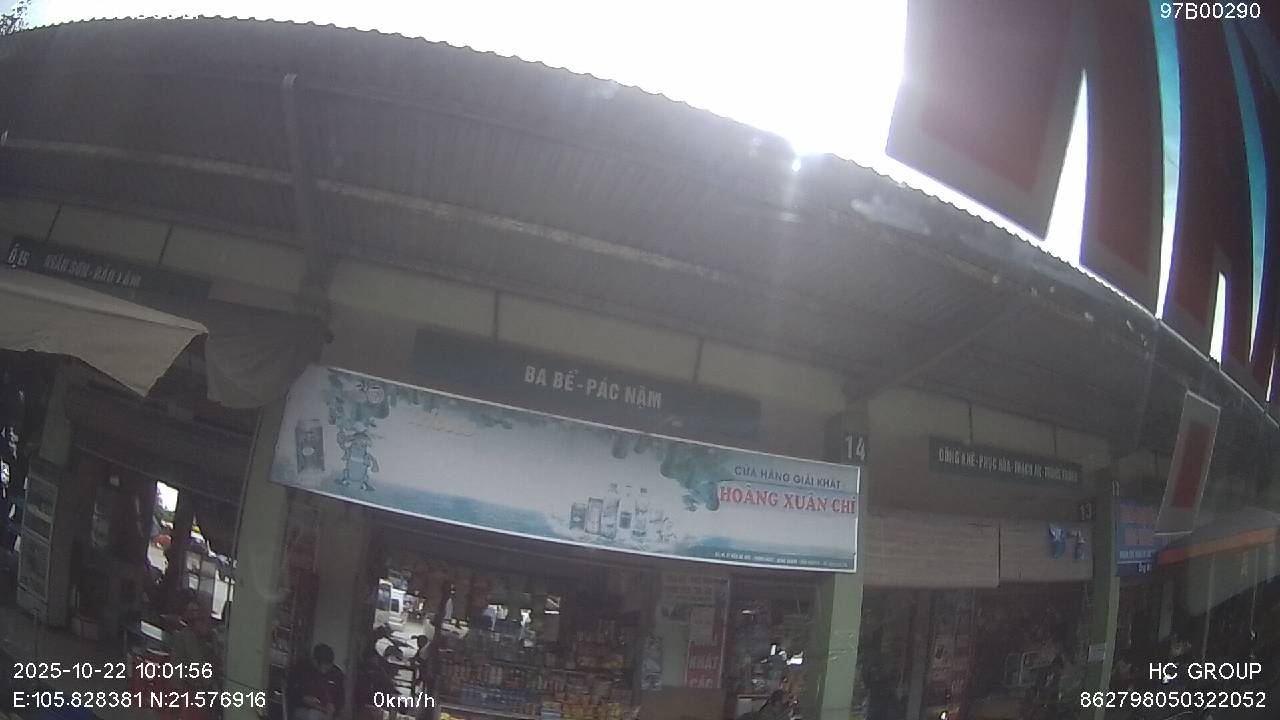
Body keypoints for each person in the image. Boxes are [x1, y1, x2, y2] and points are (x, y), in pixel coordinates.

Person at [288, 643, 345, 720]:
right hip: (304, 709)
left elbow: (341, 698)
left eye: (328, 665)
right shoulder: (302, 669)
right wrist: (303, 698)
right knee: (314, 715)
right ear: (314, 661)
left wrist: (334, 707)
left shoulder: (337, 674)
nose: (325, 669)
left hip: (327, 712)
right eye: (323, 666)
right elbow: (291, 691)